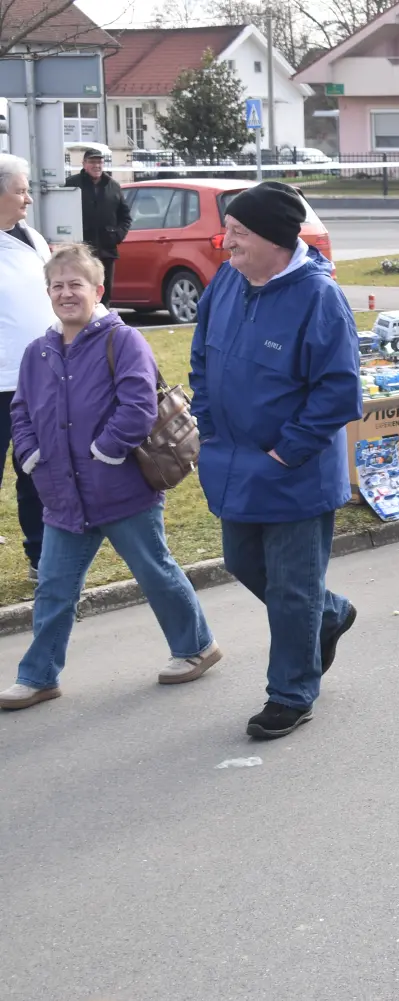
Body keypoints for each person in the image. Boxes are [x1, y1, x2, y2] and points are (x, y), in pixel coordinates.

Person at [0, 244, 220, 711]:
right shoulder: (38, 352)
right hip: (62, 496)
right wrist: (32, 453)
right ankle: (38, 677)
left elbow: (139, 405)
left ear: (97, 289)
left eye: (75, 284)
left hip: (121, 490)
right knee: (54, 588)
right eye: (57, 286)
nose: (65, 294)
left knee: (154, 572)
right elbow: (20, 411)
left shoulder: (122, 340)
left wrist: (107, 450)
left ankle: (196, 647)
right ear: (47, 293)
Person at [189, 181, 362, 739]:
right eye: (229, 230)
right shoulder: (226, 286)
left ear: (274, 240)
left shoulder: (318, 298)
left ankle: (290, 692)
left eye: (238, 233)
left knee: (291, 588)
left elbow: (339, 391)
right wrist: (210, 429)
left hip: (295, 470)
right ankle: (328, 612)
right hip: (234, 462)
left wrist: (287, 450)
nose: (225, 242)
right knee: (243, 562)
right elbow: (200, 360)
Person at [0, 153, 50, 582]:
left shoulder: (32, 238)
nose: (28, 198)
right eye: (21, 190)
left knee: (35, 471)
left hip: (36, 382)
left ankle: (41, 558)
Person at [63, 149, 131, 304]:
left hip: (107, 250)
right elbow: (61, 212)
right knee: (81, 290)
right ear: (84, 164)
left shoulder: (113, 186)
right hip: (80, 250)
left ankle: (103, 325)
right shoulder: (72, 184)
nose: (97, 165)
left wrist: (117, 235)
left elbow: (125, 216)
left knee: (103, 292)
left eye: (99, 162)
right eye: (92, 162)